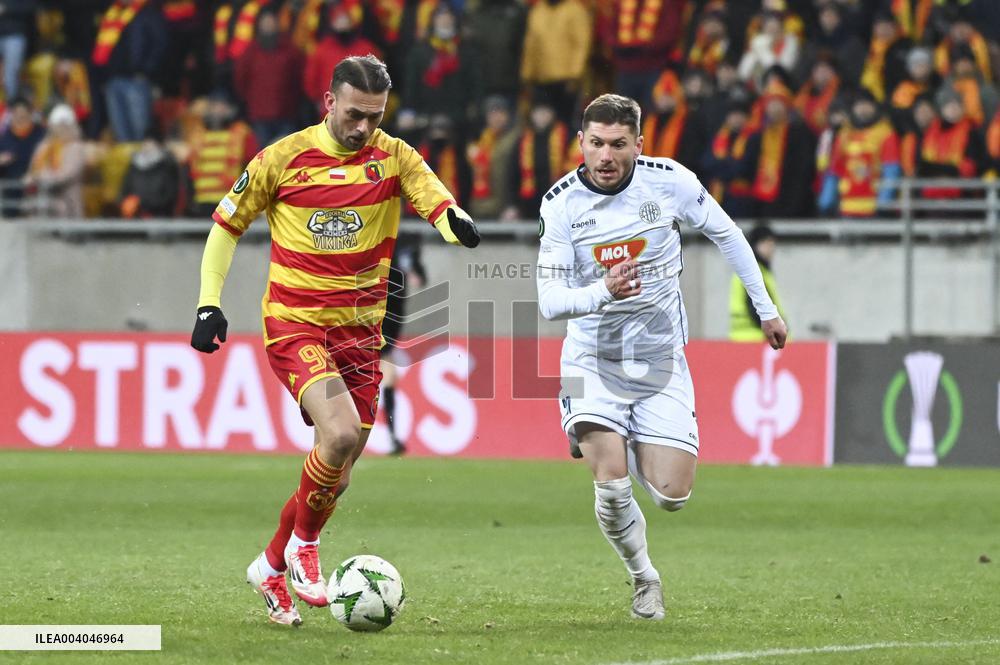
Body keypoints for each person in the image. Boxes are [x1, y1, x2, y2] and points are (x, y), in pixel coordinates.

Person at [189, 55, 479, 626]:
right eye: (354, 115)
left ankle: (270, 566)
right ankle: (302, 549)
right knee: (341, 432)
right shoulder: (282, 158)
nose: (363, 127)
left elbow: (435, 198)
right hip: (295, 323)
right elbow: (226, 225)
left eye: (374, 117)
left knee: (336, 467)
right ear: (329, 103)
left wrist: (456, 224)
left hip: (360, 334)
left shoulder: (394, 156)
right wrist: (208, 302)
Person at [535, 94, 786, 620]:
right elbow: (551, 301)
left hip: (660, 360)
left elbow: (727, 233)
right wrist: (603, 290)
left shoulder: (669, 181)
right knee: (611, 482)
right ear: (580, 142)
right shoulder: (561, 205)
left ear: (638, 145)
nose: (605, 156)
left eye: (618, 145)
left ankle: (602, 434)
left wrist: (766, 310)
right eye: (596, 144)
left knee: (672, 494)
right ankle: (644, 577)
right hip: (592, 358)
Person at [729, 225, 787, 342]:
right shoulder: (752, 273)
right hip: (752, 339)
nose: (771, 248)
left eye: (772, 244)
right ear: (754, 245)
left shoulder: (761, 271)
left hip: (745, 338)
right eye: (766, 243)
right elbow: (756, 309)